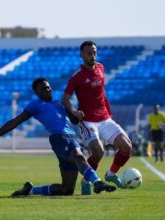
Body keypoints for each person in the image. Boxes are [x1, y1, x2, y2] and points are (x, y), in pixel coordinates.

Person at [0, 78, 116, 197]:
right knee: (79, 157)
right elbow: (14, 122)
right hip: (60, 138)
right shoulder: (35, 105)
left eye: (49, 87)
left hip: (72, 138)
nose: (48, 90)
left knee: (66, 190)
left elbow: (73, 121)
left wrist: (77, 114)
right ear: (37, 92)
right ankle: (97, 182)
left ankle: (30, 190)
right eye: (44, 88)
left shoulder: (59, 103)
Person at [62, 41, 132, 194]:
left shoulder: (101, 68)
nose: (92, 55)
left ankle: (111, 174)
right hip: (87, 121)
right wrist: (74, 112)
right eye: (88, 52)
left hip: (105, 119)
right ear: (81, 54)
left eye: (94, 52)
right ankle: (86, 180)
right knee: (98, 152)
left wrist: (108, 111)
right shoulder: (77, 76)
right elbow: (65, 99)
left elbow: (101, 93)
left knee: (127, 147)